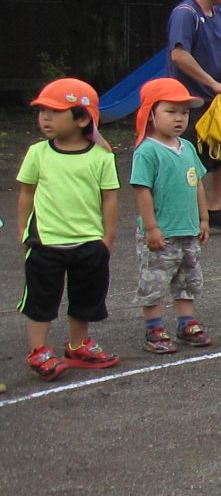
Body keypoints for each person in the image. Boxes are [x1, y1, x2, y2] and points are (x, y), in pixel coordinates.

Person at [18, 78, 120, 380]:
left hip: (89, 242)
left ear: (83, 119)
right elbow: (26, 192)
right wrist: (24, 232)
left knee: (85, 298)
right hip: (46, 242)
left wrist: (106, 239)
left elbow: (110, 197)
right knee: (40, 300)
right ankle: (38, 351)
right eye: (42, 111)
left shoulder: (101, 156)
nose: (45, 118)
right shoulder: (38, 153)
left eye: (54, 111)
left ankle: (77, 345)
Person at [130, 78, 212, 354]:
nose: (179, 118)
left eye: (184, 112)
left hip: (188, 230)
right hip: (162, 232)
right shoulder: (147, 151)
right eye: (171, 111)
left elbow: (197, 183)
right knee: (154, 280)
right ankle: (153, 328)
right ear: (151, 113)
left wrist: (203, 218)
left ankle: (185, 322)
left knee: (187, 279)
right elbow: (142, 191)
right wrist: (151, 227)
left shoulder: (186, 147)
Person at [167, 0, 221, 234]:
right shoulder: (185, 13)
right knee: (192, 159)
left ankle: (215, 210)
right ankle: (189, 214)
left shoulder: (216, 12)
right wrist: (213, 83)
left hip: (216, 98)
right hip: (190, 100)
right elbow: (179, 54)